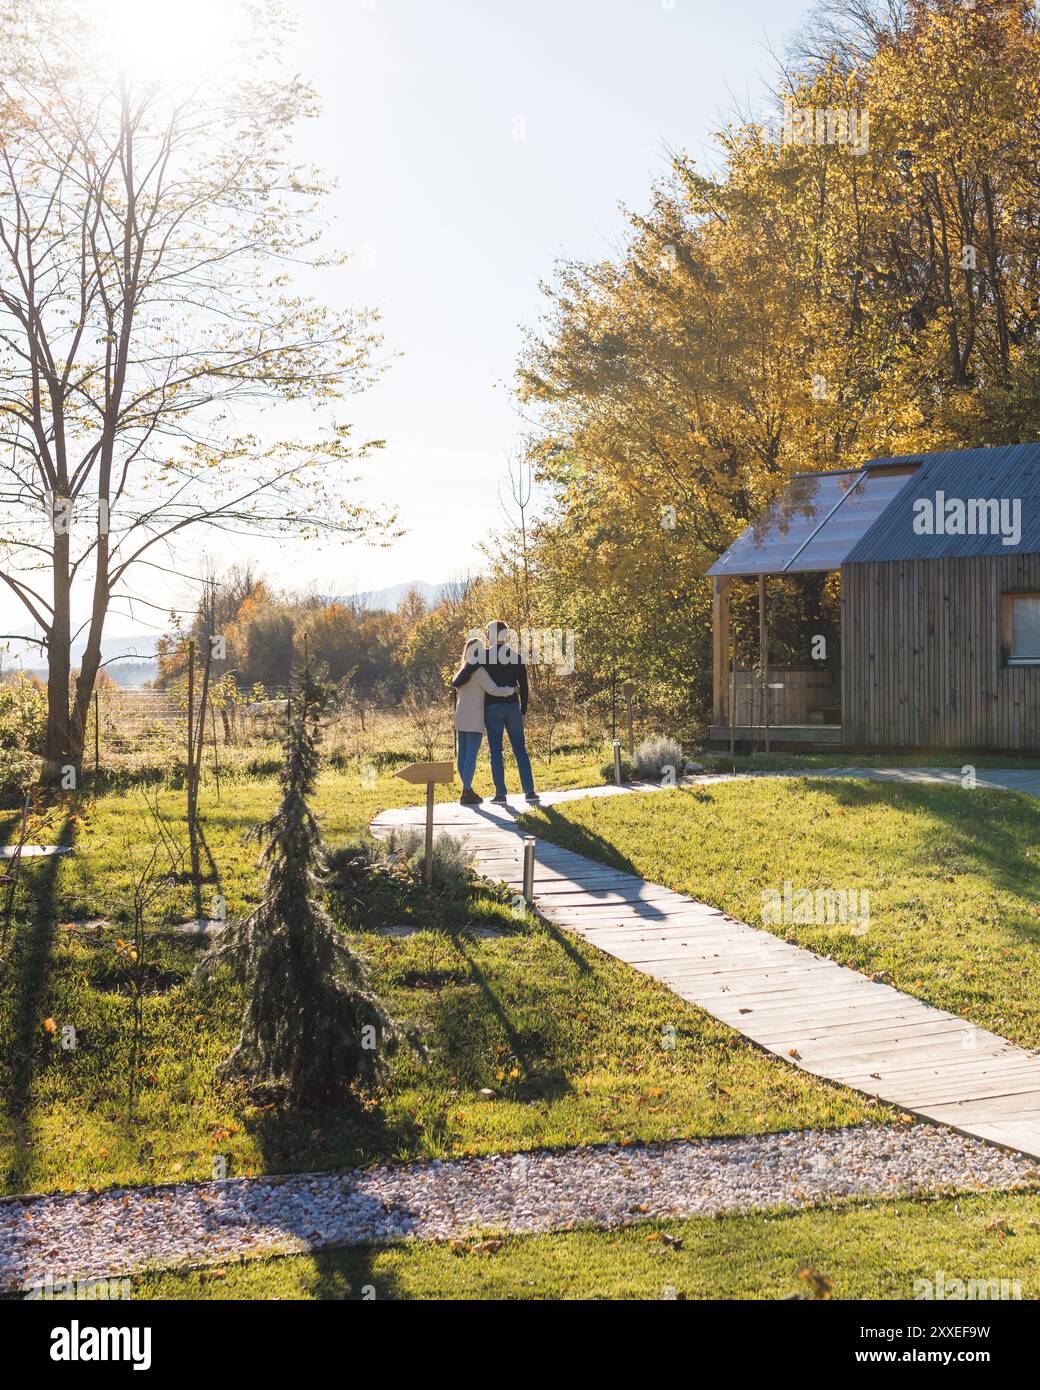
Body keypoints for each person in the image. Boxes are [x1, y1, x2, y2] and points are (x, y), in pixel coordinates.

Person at [453, 619, 538, 805]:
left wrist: (458, 682)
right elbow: (524, 686)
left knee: (496, 752)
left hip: (492, 709)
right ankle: (529, 791)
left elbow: (463, 676)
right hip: (512, 706)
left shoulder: (483, 657)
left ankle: (500, 794)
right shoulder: (516, 657)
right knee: (520, 750)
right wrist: (523, 708)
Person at [452, 635, 518, 805]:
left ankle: (467, 789)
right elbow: (494, 690)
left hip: (460, 717)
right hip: (474, 718)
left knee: (462, 755)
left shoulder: (462, 672)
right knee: (471, 756)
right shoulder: (479, 672)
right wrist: (512, 690)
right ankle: (466, 791)